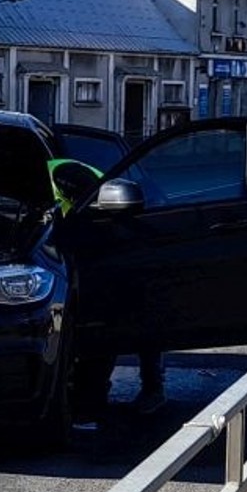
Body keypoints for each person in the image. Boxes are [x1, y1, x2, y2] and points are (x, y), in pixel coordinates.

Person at [47, 156, 166, 414]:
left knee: (125, 318)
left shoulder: (65, 175)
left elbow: (82, 215)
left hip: (116, 239)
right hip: (88, 244)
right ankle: (89, 392)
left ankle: (150, 388)